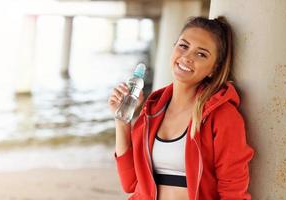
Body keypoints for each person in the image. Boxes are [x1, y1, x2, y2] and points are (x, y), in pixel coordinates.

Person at [108, 16, 254, 200]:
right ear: (174, 46)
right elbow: (129, 182)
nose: (187, 57)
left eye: (201, 54)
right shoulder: (152, 111)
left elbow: (233, 193)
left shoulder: (222, 117)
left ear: (213, 69)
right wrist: (122, 120)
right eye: (183, 46)